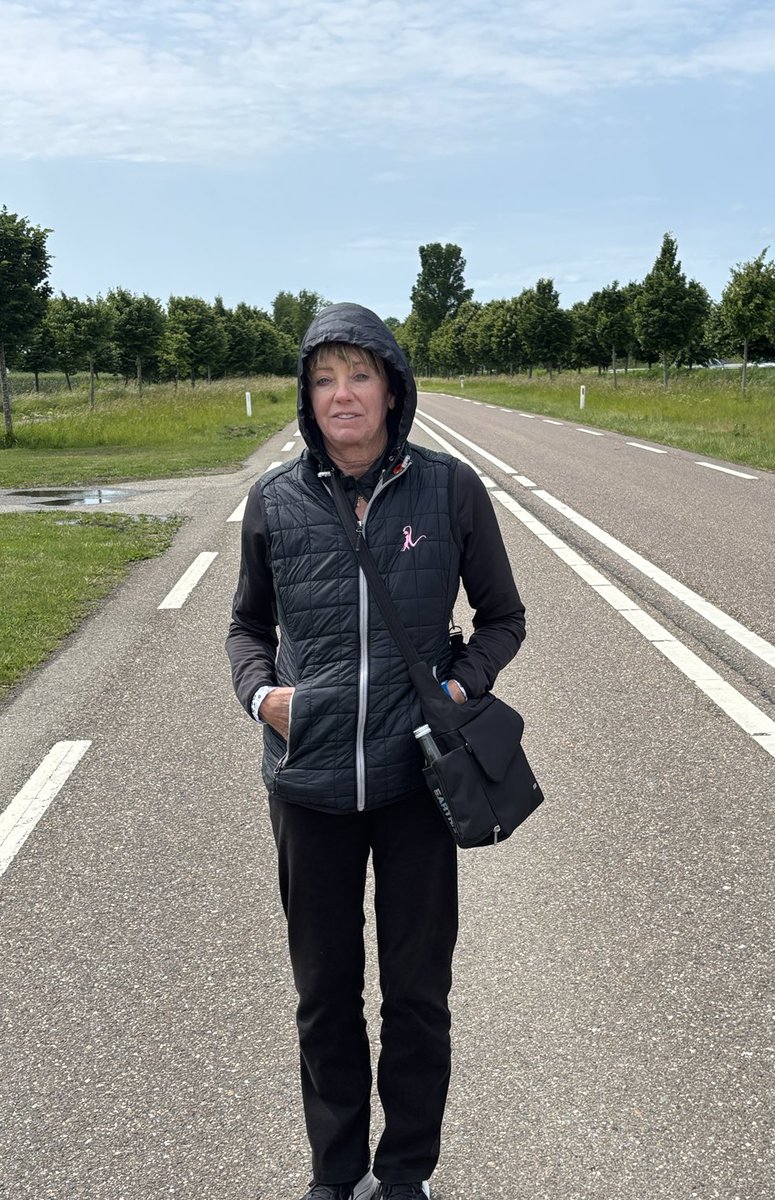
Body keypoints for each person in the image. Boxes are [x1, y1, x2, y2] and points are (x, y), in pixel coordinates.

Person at [226, 303, 526, 1200]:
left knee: (417, 999)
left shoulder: (450, 490)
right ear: (306, 398)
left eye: (359, 375)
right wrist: (262, 696)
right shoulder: (275, 502)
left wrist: (461, 688)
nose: (341, 395)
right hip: (307, 787)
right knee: (324, 1000)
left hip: (413, 788)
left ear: (392, 389)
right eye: (323, 379)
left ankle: (403, 1177)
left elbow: (503, 618)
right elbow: (246, 624)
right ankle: (335, 1176)